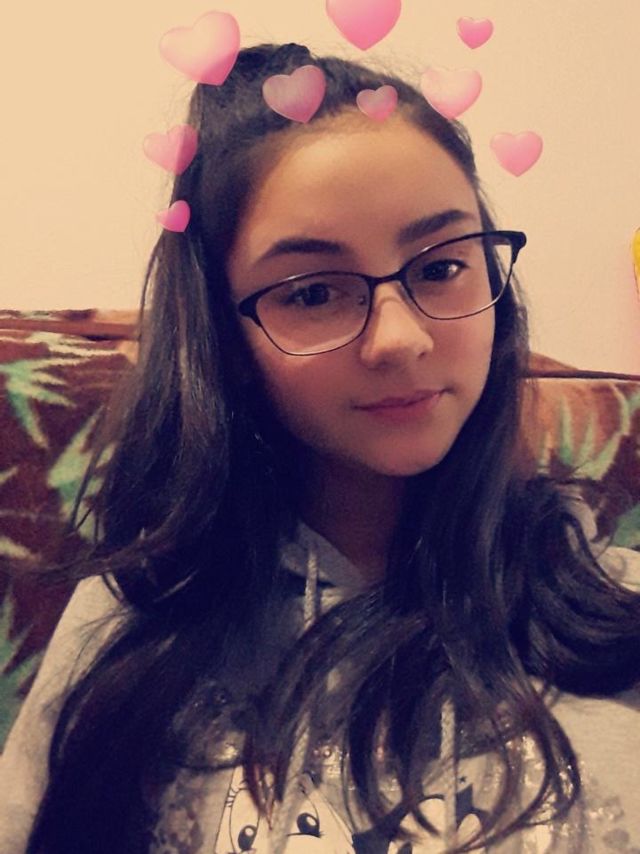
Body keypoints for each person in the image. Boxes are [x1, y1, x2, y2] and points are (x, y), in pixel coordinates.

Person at [1, 42, 639, 854]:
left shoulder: (618, 613)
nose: (400, 339)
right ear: (223, 336)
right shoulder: (136, 617)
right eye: (311, 292)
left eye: (441, 267)